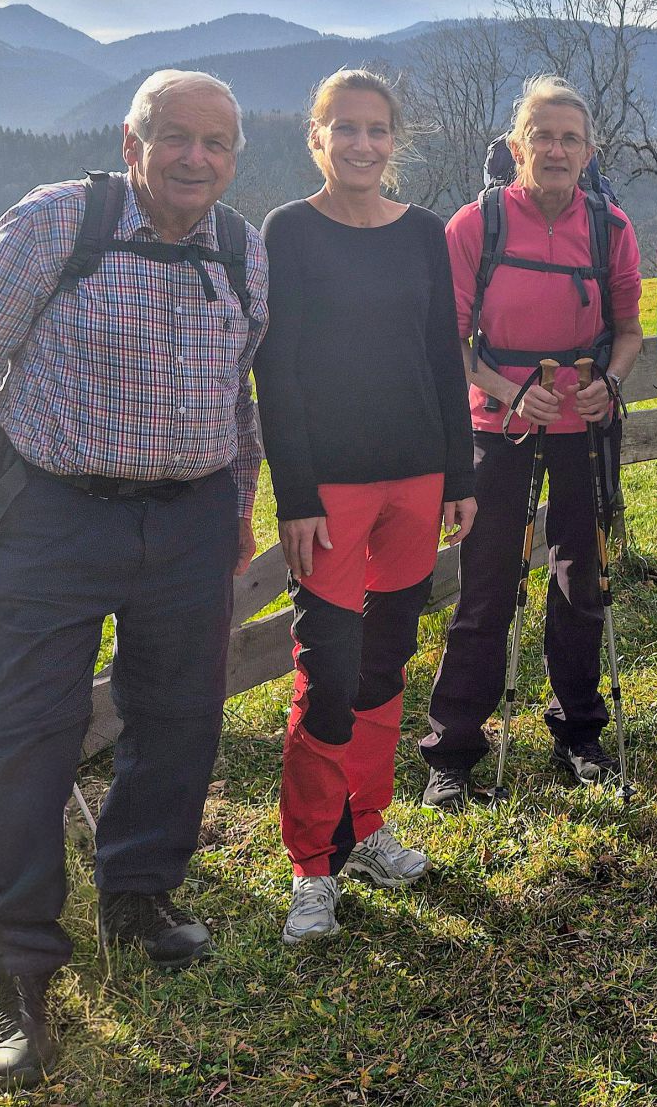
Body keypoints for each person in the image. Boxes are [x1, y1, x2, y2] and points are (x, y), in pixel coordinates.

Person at [0, 70, 268, 1089]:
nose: (195, 159)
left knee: (179, 715)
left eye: (216, 143)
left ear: (235, 157)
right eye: (175, 138)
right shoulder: (57, 225)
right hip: (58, 514)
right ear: (131, 143)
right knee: (17, 734)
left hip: (193, 514)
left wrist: (238, 504)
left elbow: (238, 394)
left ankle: (137, 894)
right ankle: (16, 961)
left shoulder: (243, 250)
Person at [254, 70, 475, 945]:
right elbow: (278, 372)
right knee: (330, 671)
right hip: (334, 490)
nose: (361, 144)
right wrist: (296, 495)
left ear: (396, 141)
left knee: (387, 662)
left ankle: (369, 821)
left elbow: (440, 356)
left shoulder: (423, 233)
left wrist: (460, 476)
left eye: (377, 129)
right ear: (316, 137)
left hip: (418, 477)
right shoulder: (290, 231)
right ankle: (314, 861)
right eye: (343, 128)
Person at [419, 78, 644, 807]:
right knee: (486, 586)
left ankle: (578, 730)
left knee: (584, 584)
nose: (554, 149)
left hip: (585, 427)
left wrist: (607, 383)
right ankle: (451, 751)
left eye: (569, 138)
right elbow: (450, 340)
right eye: (540, 136)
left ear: (588, 150)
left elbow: (631, 331)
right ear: (516, 144)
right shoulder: (474, 225)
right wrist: (512, 391)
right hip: (501, 424)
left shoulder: (610, 226)